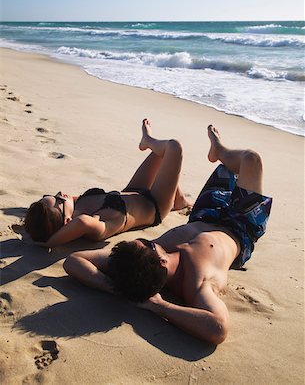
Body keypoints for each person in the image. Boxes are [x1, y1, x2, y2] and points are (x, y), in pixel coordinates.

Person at [63, 125, 272, 344]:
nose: (145, 240)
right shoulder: (197, 283)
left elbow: (74, 260)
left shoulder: (137, 260)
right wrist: (158, 305)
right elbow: (218, 328)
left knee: (227, 169)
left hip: (204, 214)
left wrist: (116, 289)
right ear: (161, 261)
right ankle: (219, 150)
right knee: (251, 160)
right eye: (147, 243)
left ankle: (218, 151)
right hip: (240, 228)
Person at [25, 119, 190, 247]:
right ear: (67, 221)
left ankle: (180, 200)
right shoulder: (92, 226)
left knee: (161, 154)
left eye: (54, 195)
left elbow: (43, 220)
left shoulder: (76, 204)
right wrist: (49, 243)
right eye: (58, 200)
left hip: (135, 189)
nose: (61, 193)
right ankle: (147, 140)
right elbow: (80, 222)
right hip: (156, 205)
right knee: (174, 147)